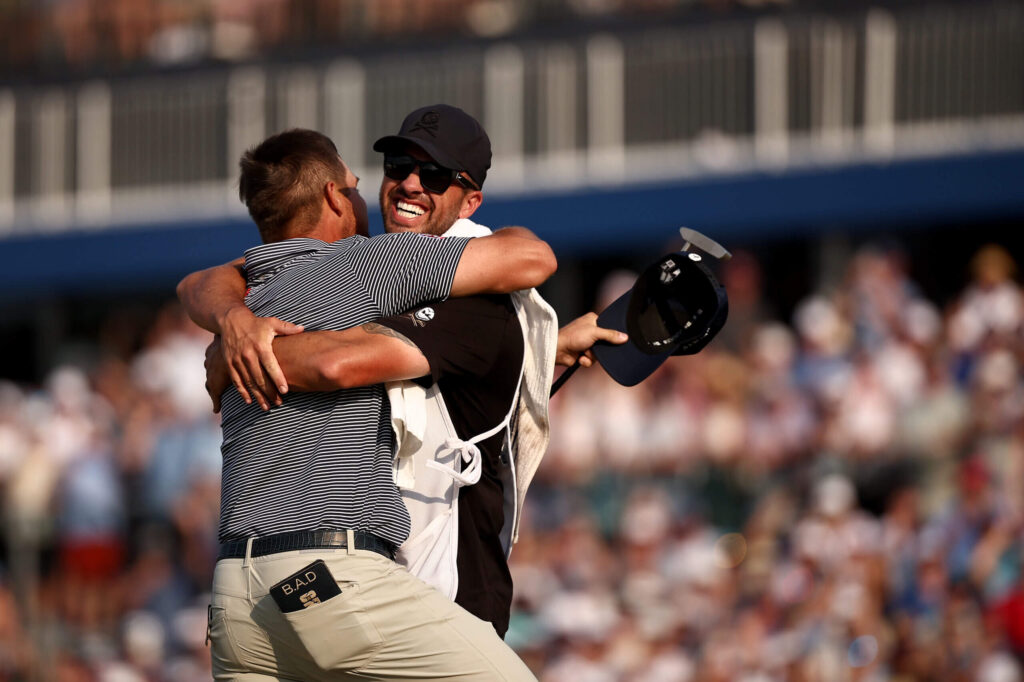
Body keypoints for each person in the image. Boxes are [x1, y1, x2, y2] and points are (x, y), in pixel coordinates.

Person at [183, 105, 625, 639]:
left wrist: (235, 353)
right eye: (397, 165)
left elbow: (532, 257)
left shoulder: (436, 277)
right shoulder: (367, 265)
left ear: (470, 202)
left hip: (449, 593)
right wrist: (232, 321)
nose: (409, 183)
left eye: (436, 175)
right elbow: (205, 279)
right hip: (366, 592)